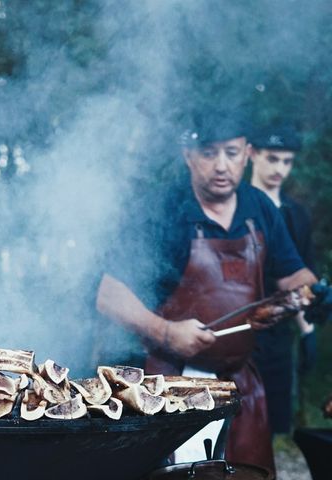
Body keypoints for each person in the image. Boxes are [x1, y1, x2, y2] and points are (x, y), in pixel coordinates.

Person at [95, 111, 318, 475]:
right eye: (209, 153)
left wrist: (312, 291)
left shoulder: (258, 206)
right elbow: (108, 293)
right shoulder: (163, 208)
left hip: (240, 385)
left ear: (246, 154)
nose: (221, 166)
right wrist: (166, 332)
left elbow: (293, 274)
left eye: (231, 153)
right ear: (189, 156)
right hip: (167, 385)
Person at [249, 124, 317, 435]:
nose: (280, 169)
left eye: (287, 161)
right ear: (253, 155)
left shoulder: (296, 215)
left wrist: (307, 331)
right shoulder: (235, 205)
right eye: (272, 159)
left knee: (272, 426)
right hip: (237, 331)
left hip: (278, 336)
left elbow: (301, 278)